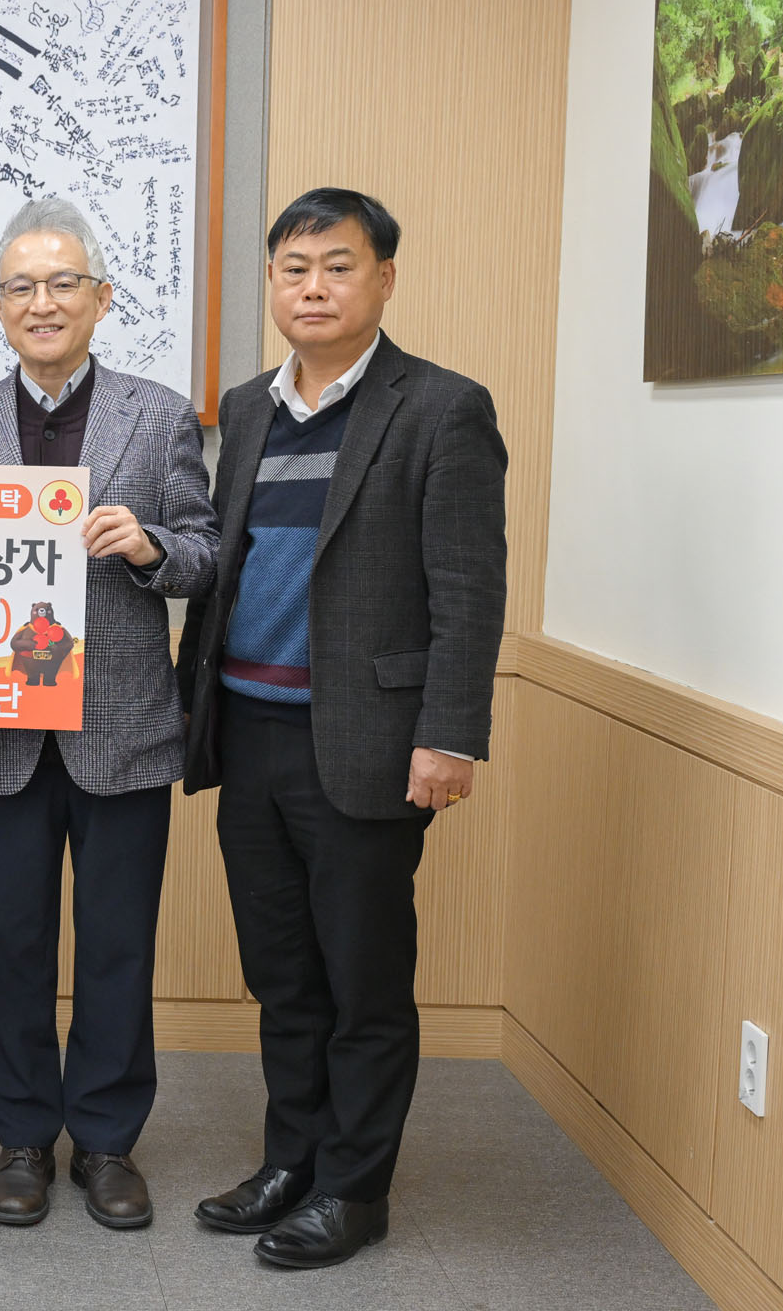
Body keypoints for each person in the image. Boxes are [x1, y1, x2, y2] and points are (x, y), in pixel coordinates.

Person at [177, 188, 507, 1268]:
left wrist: (449, 735)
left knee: (363, 981)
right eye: (294, 268)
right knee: (282, 973)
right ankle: (292, 1160)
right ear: (273, 283)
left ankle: (354, 1190)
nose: (313, 287)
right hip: (249, 731)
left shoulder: (442, 408)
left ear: (384, 279)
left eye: (338, 265)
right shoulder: (248, 406)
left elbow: (469, 589)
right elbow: (230, 566)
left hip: (367, 740)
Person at [0, 197, 218, 1229]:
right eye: (20, 286)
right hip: (0, 726)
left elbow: (205, 552)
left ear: (101, 298)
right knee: (9, 941)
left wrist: (148, 546)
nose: (41, 302)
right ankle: (20, 1137)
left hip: (123, 726)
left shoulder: (160, 415)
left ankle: (105, 1140)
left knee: (117, 944)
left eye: (62, 283)